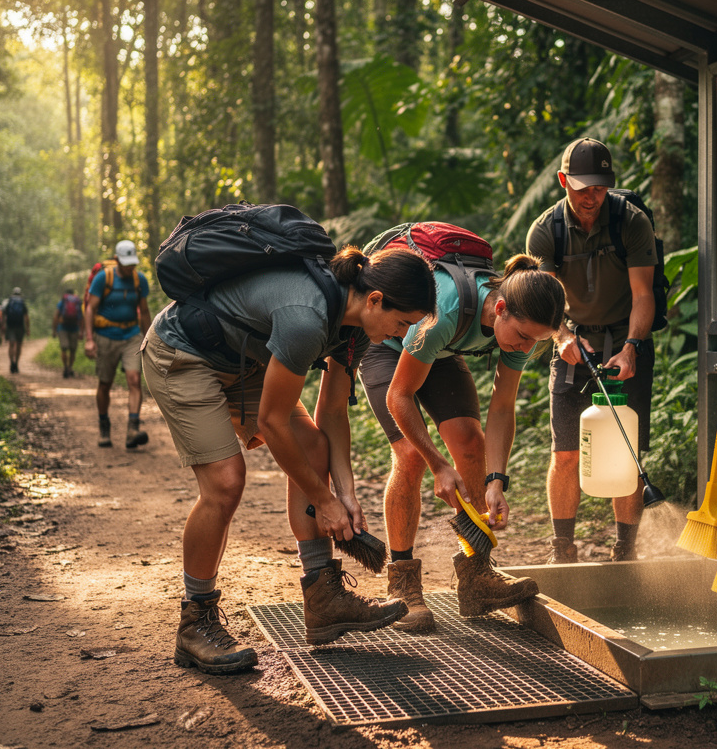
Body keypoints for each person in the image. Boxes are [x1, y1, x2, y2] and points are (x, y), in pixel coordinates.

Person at [142, 245, 437, 673]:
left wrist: (346, 494)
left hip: (243, 360)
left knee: (314, 446)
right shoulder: (307, 318)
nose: (399, 335)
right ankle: (195, 622)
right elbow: (272, 421)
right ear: (375, 300)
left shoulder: (354, 327)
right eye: (402, 323)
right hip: (184, 355)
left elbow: (333, 412)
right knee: (225, 482)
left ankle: (324, 601)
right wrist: (324, 499)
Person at [359, 244, 564, 632]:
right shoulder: (447, 311)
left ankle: (476, 577)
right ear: (500, 308)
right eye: (521, 337)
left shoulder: (521, 331)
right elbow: (398, 396)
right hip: (388, 344)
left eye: (533, 342)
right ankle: (403, 581)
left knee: (470, 443)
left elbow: (502, 408)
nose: (524, 347)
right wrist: (439, 466)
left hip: (439, 351)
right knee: (411, 455)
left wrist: (495, 481)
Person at [525, 137, 657, 564]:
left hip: (626, 341)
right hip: (570, 341)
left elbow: (643, 294)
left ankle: (625, 551)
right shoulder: (546, 231)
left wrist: (633, 347)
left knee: (627, 452)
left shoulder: (632, 222)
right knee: (565, 452)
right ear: (563, 181)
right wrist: (561, 338)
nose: (591, 197)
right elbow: (540, 300)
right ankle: (562, 549)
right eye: (582, 187)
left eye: (599, 187)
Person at [83, 240, 153, 449]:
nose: (130, 267)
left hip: (131, 334)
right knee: (105, 383)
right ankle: (104, 426)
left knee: (134, 380)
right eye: (126, 263)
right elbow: (90, 309)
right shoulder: (103, 278)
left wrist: (148, 338)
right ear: (116, 260)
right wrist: (89, 339)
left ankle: (133, 429)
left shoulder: (139, 280)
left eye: (132, 263)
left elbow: (145, 310)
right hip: (106, 336)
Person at [54, 288, 83, 378]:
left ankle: (65, 367)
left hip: (62, 328)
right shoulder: (77, 302)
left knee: (64, 349)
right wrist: (82, 331)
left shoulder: (62, 302)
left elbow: (56, 316)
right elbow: (82, 317)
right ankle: (70, 368)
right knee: (72, 350)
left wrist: (54, 330)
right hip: (75, 328)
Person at [2, 288, 30, 374]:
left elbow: (4, 315)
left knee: (11, 345)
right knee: (18, 345)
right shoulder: (22, 302)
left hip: (10, 326)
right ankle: (16, 364)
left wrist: (3, 325)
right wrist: (28, 328)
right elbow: (26, 317)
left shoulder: (10, 302)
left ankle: (11, 363)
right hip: (20, 327)